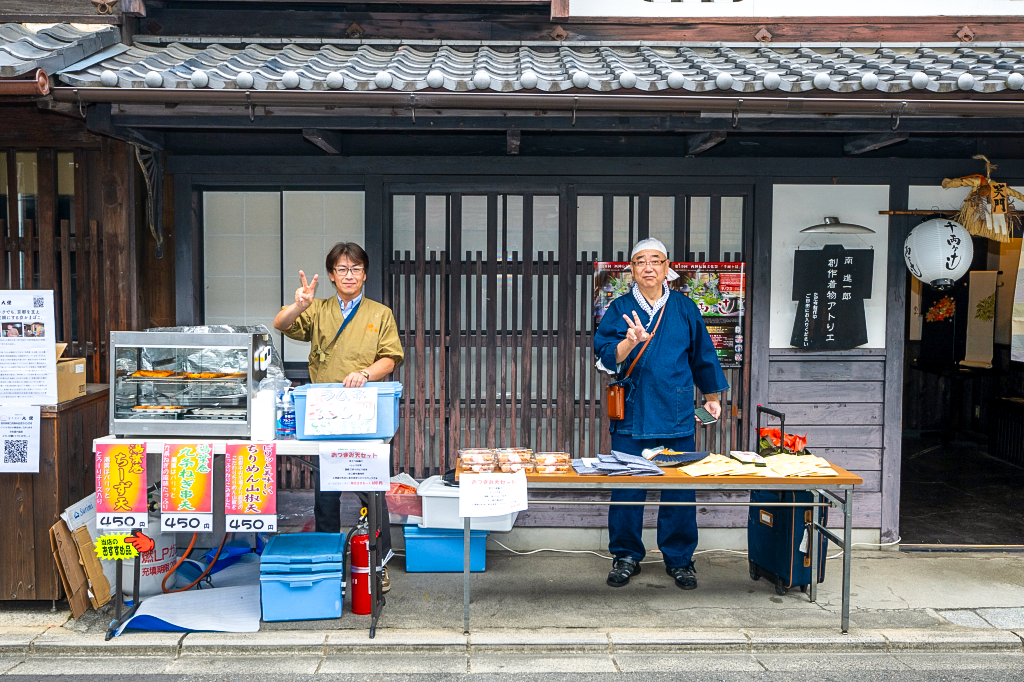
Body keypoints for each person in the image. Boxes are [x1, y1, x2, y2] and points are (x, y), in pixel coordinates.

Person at [593, 238, 729, 591]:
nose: (649, 267)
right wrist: (630, 342)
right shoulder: (618, 308)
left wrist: (711, 396)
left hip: (676, 410)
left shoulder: (685, 307)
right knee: (626, 489)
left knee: (679, 490)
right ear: (632, 270)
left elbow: (703, 355)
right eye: (641, 261)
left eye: (656, 260)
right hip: (633, 412)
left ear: (668, 268)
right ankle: (625, 555)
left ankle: (680, 559)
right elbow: (606, 357)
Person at [273, 242, 404, 591]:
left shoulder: (380, 313)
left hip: (365, 415)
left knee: (371, 491)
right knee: (325, 494)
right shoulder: (317, 309)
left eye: (356, 268)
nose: (350, 275)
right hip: (324, 414)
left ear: (365, 273)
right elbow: (280, 324)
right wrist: (298, 304)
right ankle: (330, 563)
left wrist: (365, 373)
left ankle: (378, 564)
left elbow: (390, 358)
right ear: (331, 275)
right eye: (343, 269)